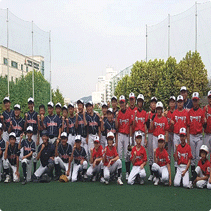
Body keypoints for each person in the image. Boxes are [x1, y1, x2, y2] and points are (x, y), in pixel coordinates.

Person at [187, 92, 206, 175]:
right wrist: (188, 138)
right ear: (192, 101)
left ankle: (199, 173)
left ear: (198, 101)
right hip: (191, 135)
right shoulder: (189, 112)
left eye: (196, 100)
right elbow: (188, 126)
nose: (195, 102)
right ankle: (192, 173)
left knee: (199, 156)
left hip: (199, 136)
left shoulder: (201, 112)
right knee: (192, 156)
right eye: (194, 100)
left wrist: (205, 121)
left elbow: (204, 125)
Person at [170, 95, 189, 171]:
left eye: (181, 102)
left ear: (183, 102)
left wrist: (188, 137)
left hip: (184, 136)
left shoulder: (186, 113)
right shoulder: (174, 113)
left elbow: (187, 126)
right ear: (177, 103)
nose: (180, 103)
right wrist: (171, 124)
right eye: (178, 102)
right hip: (176, 135)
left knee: (185, 154)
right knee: (176, 153)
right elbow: (171, 128)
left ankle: (185, 171)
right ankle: (176, 172)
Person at [115, 95, 131, 180]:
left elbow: (131, 125)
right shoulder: (118, 113)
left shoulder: (129, 113)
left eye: (123, 102)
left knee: (127, 155)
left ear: (125, 103)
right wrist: (116, 117)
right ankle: (120, 173)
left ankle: (128, 172)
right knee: (120, 155)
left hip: (127, 135)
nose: (122, 104)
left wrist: (131, 138)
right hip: (120, 134)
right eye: (120, 103)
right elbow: (117, 127)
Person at [24, 97, 38, 174]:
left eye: (31, 104)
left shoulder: (36, 114)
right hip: (28, 134)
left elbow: (38, 127)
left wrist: (38, 138)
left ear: (33, 104)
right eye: (29, 104)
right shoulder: (27, 114)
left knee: (34, 152)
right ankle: (26, 169)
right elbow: (24, 126)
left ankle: (34, 170)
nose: (30, 105)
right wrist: (26, 118)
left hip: (35, 134)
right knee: (27, 150)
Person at [146, 96, 157, 181]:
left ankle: (157, 173)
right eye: (152, 103)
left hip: (156, 135)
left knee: (155, 155)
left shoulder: (159, 113)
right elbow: (147, 127)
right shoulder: (148, 114)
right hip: (150, 134)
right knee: (150, 155)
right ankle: (151, 173)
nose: (153, 104)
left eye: (155, 103)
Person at [165, 96, 176, 160]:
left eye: (173, 102)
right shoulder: (167, 113)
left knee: (175, 152)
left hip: (175, 134)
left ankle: (176, 168)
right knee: (168, 153)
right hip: (168, 134)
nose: (171, 103)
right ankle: (167, 168)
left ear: (175, 103)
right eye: (170, 102)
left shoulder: (177, 112)